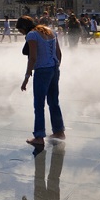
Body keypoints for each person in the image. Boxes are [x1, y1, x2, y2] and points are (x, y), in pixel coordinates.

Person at [18, 15, 65, 146]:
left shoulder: (32, 35)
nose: (21, 33)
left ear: (24, 28)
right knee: (53, 101)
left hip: (42, 70)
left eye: (20, 30)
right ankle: (59, 131)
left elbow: (32, 58)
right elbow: (59, 53)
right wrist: (55, 68)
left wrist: (26, 78)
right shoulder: (51, 31)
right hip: (54, 68)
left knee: (39, 105)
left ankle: (39, 136)